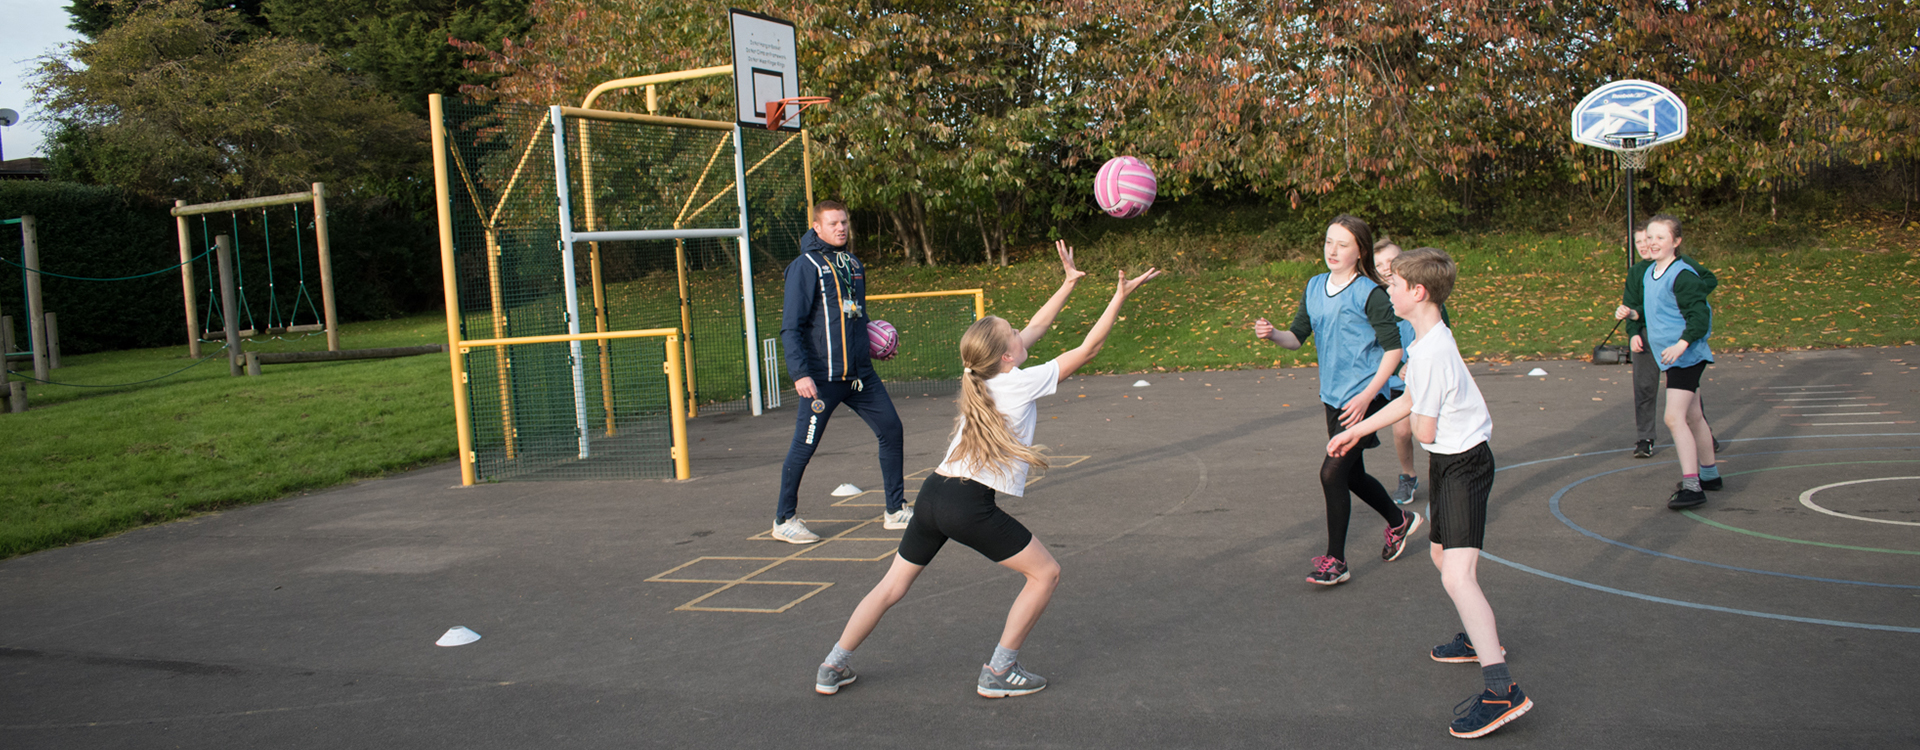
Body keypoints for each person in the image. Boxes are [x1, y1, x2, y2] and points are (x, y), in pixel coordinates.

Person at [814, 243, 1159, 698]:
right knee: (1045, 574)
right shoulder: (1018, 382)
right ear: (1007, 356)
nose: (1021, 332)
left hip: (934, 493)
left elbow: (1038, 325)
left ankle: (832, 665)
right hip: (967, 503)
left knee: (891, 586)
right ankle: (999, 670)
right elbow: (1089, 348)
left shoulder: (984, 375)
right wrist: (1119, 296)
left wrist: (1068, 284)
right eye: (1013, 332)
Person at [1328, 247, 1532, 739]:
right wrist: (1358, 431)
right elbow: (1413, 402)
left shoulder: (1434, 352)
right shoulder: (1425, 342)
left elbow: (1423, 427)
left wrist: (1417, 398)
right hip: (1447, 460)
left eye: (1393, 285)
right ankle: (1480, 640)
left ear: (1417, 292)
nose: (1387, 292)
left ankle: (1502, 690)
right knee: (1442, 557)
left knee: (1458, 576)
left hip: (1463, 464)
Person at [1254, 215, 1419, 586]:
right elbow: (1297, 337)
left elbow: (1394, 350)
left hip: (1366, 397)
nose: (1333, 250)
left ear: (1360, 251)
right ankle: (1399, 520)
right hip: (1334, 397)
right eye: (1329, 241)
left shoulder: (1370, 294)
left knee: (1331, 473)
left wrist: (1367, 396)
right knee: (1352, 474)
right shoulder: (1315, 286)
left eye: (1343, 244)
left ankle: (1336, 561)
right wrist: (1273, 334)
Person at [771, 201, 909, 543]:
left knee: (892, 429)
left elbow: (856, 315)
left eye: (844, 222)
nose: (841, 228)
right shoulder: (804, 267)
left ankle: (895, 510)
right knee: (804, 446)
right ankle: (784, 519)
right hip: (821, 380)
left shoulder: (852, 264)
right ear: (817, 227)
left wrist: (875, 347)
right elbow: (791, 327)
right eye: (832, 223)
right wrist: (800, 374)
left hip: (860, 377)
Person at [1620, 215, 1720, 509]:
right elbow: (1656, 311)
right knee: (1693, 416)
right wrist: (1632, 315)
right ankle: (1710, 475)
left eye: (1660, 238)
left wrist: (1682, 344)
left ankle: (1692, 486)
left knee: (1673, 418)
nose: (1652, 243)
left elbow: (1699, 317)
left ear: (1676, 242)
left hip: (1686, 357)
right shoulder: (1650, 273)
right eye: (1650, 237)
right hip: (1672, 356)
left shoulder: (1683, 275)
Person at [1374, 241, 1448, 506]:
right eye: (1378, 264)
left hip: (1425, 373)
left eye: (1390, 262)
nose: (1385, 268)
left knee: (1430, 429)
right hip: (1400, 378)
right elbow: (1378, 346)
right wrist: (1398, 367)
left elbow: (1442, 332)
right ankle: (1408, 475)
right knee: (1403, 431)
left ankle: (1442, 473)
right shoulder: (1378, 302)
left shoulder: (1423, 296)